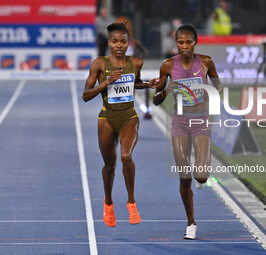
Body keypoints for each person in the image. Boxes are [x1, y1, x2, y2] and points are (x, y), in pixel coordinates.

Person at [82, 23, 158, 227]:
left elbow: (136, 83)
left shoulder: (136, 63)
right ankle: (108, 202)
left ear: (128, 43)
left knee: (126, 157)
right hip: (106, 118)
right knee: (110, 165)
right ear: (109, 43)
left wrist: (148, 85)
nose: (119, 45)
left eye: (123, 41)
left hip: (128, 117)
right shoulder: (99, 64)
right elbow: (85, 96)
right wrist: (106, 82)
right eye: (115, 41)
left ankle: (131, 203)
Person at [153, 24, 222, 239]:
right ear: (176, 44)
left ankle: (202, 176)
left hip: (201, 121)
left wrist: (210, 94)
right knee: (184, 177)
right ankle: (191, 223)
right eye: (180, 42)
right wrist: (165, 91)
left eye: (188, 42)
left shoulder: (206, 62)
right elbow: (156, 100)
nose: (184, 46)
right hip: (180, 123)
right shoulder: (167, 66)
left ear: (195, 42)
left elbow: (218, 86)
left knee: (200, 176)